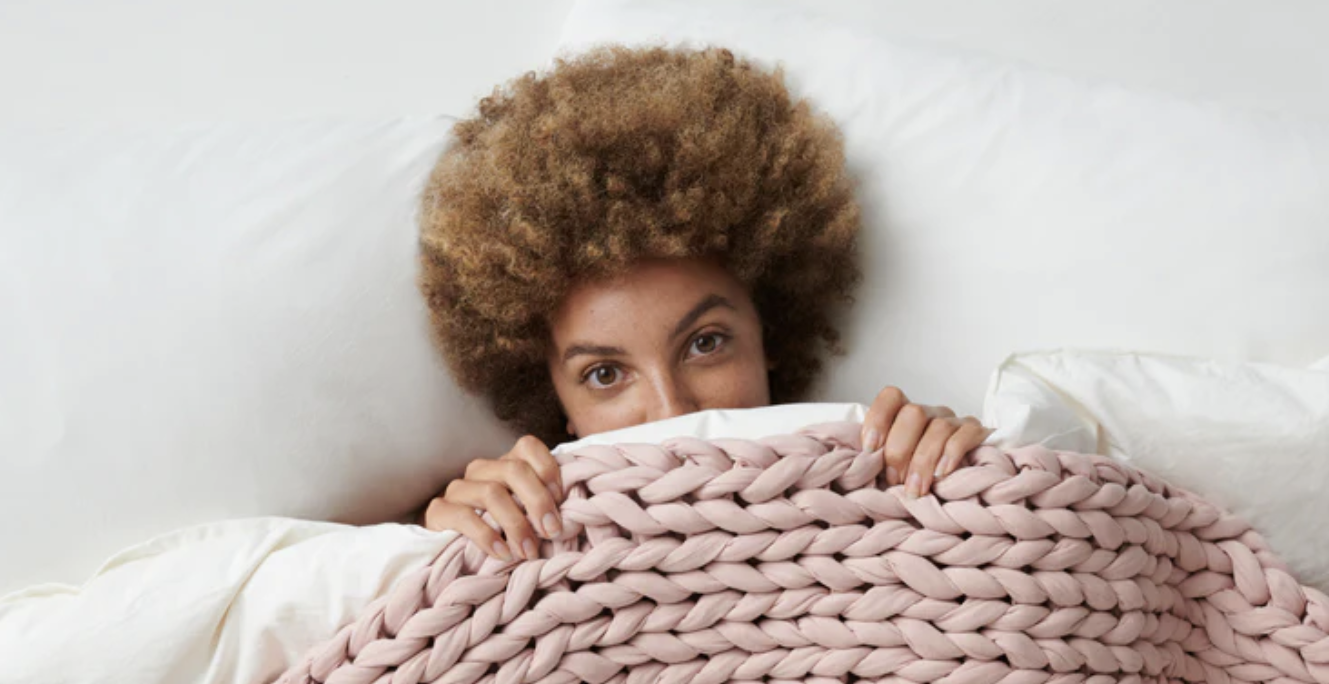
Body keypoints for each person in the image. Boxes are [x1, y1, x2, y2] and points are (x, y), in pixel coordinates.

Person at [417, 44, 993, 565]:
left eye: (705, 343)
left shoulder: (875, 471)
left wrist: (949, 467)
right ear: (557, 402)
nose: (674, 414)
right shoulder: (525, 522)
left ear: (767, 328)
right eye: (605, 374)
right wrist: (437, 538)